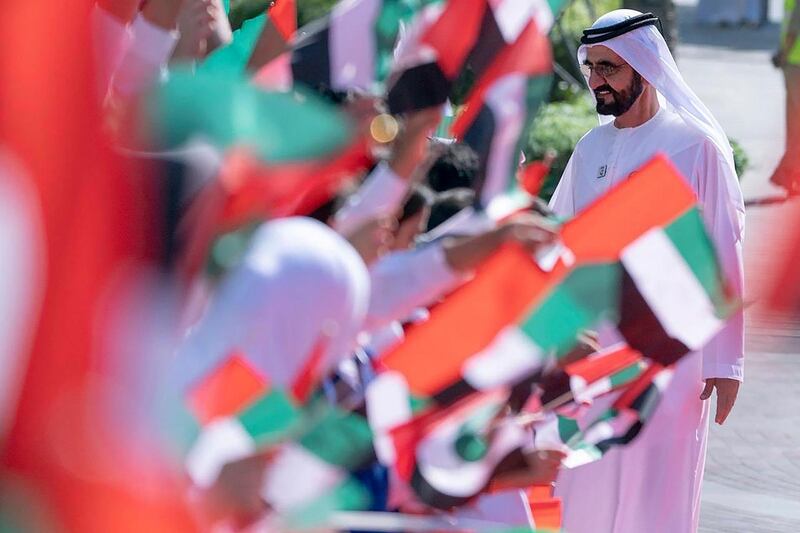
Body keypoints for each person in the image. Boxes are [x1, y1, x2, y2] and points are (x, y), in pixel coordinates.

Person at [549, 9, 745, 533]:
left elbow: (724, 250)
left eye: (609, 69)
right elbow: (559, 245)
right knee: (585, 487)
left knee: (655, 494)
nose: (596, 81)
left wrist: (724, 364)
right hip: (593, 353)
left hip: (672, 355)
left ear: (643, 66)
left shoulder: (694, 146)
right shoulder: (590, 148)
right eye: (591, 68)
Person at [769, 0, 800, 194]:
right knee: (794, 122)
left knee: (795, 122)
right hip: (794, 64)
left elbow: (793, 30)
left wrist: (782, 55)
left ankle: (787, 171)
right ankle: (790, 175)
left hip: (795, 64)